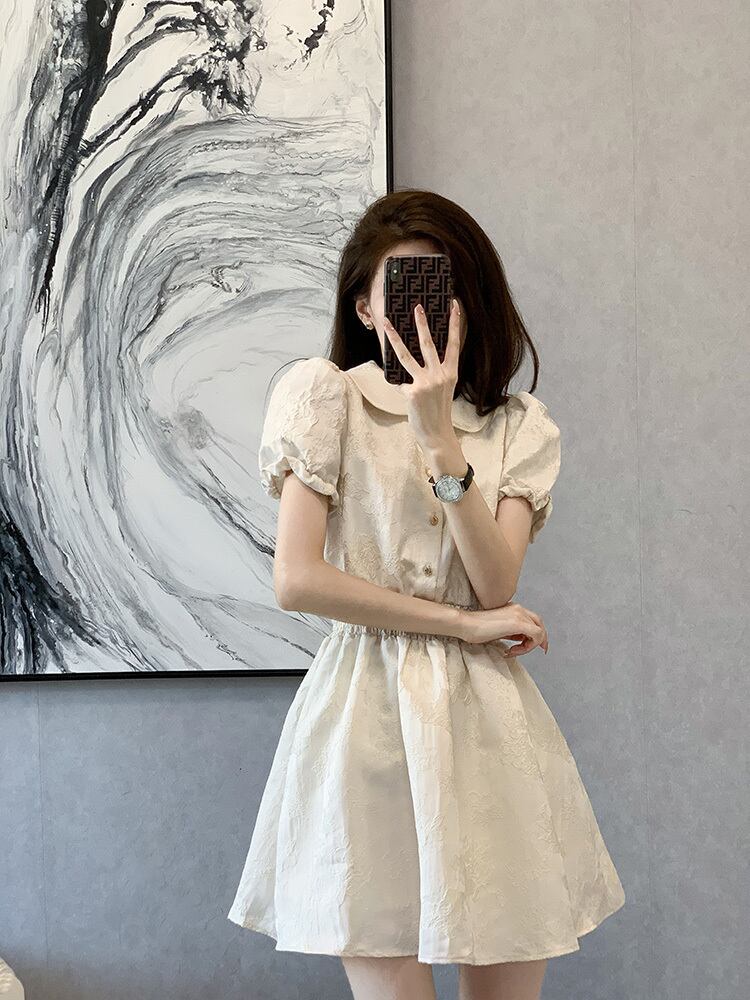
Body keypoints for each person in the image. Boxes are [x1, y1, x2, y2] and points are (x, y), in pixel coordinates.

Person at [227, 189, 625, 1000]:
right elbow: (297, 578)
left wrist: (438, 437)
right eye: (403, 290)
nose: (423, 312)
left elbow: (496, 582)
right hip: (365, 717)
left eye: (444, 290)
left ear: (472, 303)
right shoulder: (323, 396)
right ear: (365, 307)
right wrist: (459, 626)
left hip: (488, 725)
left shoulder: (517, 425)